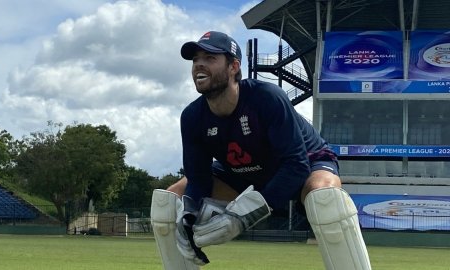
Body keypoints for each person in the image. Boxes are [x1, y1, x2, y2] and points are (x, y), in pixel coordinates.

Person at [150, 31, 372, 270]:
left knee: (325, 200)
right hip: (243, 172)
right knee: (170, 204)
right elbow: (198, 179)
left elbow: (296, 165)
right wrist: (189, 216)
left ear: (234, 66)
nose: (199, 64)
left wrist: (242, 216)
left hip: (305, 163)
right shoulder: (193, 117)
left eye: (210, 57)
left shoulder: (266, 98)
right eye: (195, 59)